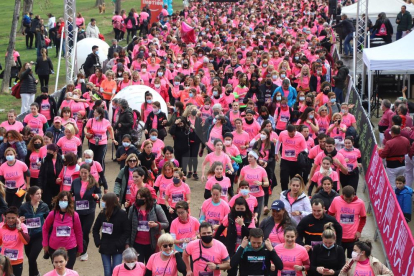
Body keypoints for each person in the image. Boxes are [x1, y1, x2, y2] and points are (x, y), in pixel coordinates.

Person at [42, 191, 83, 269]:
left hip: (70, 248)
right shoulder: (52, 214)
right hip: (54, 247)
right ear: (58, 201)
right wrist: (45, 244)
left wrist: (80, 248)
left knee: (68, 270)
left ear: (69, 201)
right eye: (61, 200)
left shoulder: (74, 215)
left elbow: (79, 232)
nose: (63, 202)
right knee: (57, 270)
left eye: (65, 200)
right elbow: (45, 229)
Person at [127, 187, 169, 264]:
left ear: (147, 198)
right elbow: (128, 226)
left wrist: (156, 225)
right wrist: (127, 243)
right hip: (137, 244)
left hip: (152, 244)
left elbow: (166, 223)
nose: (139, 199)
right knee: (138, 267)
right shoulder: (133, 209)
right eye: (138, 197)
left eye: (141, 197)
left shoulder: (157, 208)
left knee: (150, 267)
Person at [92, 193, 130, 276]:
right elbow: (95, 229)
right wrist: (98, 243)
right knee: (107, 272)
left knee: (115, 271)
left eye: (104, 201)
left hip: (117, 248)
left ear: (109, 202)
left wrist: (120, 243)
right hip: (105, 247)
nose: (102, 203)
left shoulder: (122, 214)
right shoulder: (102, 214)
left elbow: (127, 231)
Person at [71, 163, 102, 261]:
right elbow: (72, 192)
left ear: (89, 173)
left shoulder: (93, 182)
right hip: (77, 212)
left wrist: (98, 196)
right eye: (82, 173)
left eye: (85, 173)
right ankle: (77, 249)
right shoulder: (75, 182)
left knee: (84, 232)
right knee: (77, 231)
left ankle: (84, 252)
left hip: (89, 211)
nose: (83, 175)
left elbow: (99, 193)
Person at [18, 186, 50, 276]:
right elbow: (18, 219)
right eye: (37, 194)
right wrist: (20, 219)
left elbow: (49, 220)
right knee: (30, 259)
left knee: (32, 258)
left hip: (39, 236)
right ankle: (36, 273)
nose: (39, 196)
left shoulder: (44, 206)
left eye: (40, 194)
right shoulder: (24, 207)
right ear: (31, 195)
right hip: (27, 237)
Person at [328, 186, 367, 258]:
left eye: (350, 199)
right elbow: (330, 214)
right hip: (338, 237)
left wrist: (359, 231)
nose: (348, 201)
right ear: (342, 195)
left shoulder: (360, 203)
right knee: (338, 259)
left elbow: (363, 218)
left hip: (352, 238)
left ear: (354, 194)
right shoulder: (336, 200)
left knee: (352, 260)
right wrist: (332, 228)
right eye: (346, 199)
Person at [238, 150, 269, 219]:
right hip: (247, 195)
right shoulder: (244, 169)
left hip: (258, 196)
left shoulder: (261, 170)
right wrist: (240, 189)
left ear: (255, 158)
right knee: (245, 215)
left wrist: (261, 183)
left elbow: (267, 183)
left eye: (251, 156)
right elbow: (239, 179)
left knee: (256, 217)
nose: (248, 158)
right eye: (248, 156)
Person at [85, 106, 118, 170]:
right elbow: (86, 127)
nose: (93, 113)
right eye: (94, 112)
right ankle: (93, 172)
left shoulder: (106, 122)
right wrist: (86, 133)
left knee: (100, 159)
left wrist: (113, 139)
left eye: (95, 112)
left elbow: (110, 129)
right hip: (92, 142)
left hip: (102, 143)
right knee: (92, 159)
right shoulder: (91, 120)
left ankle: (101, 174)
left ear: (100, 114)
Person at [0, 207, 30, 276]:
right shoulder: (1, 227)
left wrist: (19, 228)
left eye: (13, 218)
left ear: (17, 217)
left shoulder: (23, 226)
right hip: (4, 261)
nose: (10, 220)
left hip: (17, 261)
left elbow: (26, 241)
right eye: (8, 218)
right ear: (5, 217)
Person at [277, 124, 307, 191]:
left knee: (295, 180)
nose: (291, 135)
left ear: (295, 131)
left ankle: (294, 193)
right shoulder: (283, 133)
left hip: (295, 161)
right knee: (284, 179)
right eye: (289, 134)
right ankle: (284, 193)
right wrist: (276, 153)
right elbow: (278, 142)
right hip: (285, 160)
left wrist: (304, 156)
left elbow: (305, 149)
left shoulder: (300, 136)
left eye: (292, 134)